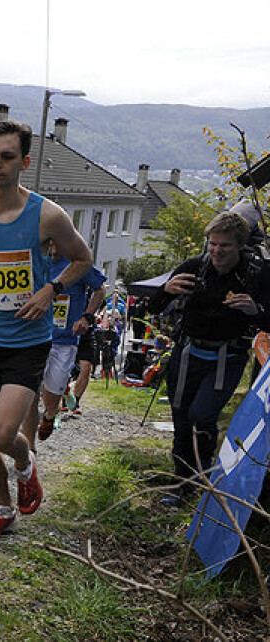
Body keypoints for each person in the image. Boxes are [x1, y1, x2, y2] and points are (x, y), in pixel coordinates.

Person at [0, 120, 93, 539]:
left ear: (24, 162)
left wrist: (51, 288)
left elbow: (81, 259)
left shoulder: (47, 214)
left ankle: (26, 465)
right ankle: (2, 508)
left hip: (27, 340)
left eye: (7, 157)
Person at [148, 210, 270, 504]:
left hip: (227, 357)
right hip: (188, 353)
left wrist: (256, 311)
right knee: (180, 417)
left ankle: (204, 479)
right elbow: (152, 306)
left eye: (224, 246)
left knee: (202, 415)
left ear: (239, 246)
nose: (216, 251)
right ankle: (183, 483)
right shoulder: (195, 266)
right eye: (212, 244)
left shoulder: (257, 274)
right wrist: (166, 290)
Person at [19, 248, 106, 452]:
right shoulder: (36, 261)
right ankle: (29, 447)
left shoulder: (77, 264)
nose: (53, 247)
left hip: (65, 340)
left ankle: (50, 414)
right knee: (30, 392)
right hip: (35, 336)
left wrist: (87, 317)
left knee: (52, 394)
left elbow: (100, 290)